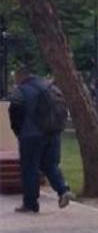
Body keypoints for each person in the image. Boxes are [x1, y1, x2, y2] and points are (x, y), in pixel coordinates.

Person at [8, 67, 74, 213]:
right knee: (51, 165)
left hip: (31, 135)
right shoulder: (49, 87)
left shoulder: (21, 90)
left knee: (29, 168)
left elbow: (15, 113)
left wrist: (19, 132)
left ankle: (30, 203)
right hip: (53, 133)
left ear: (20, 77)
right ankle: (63, 190)